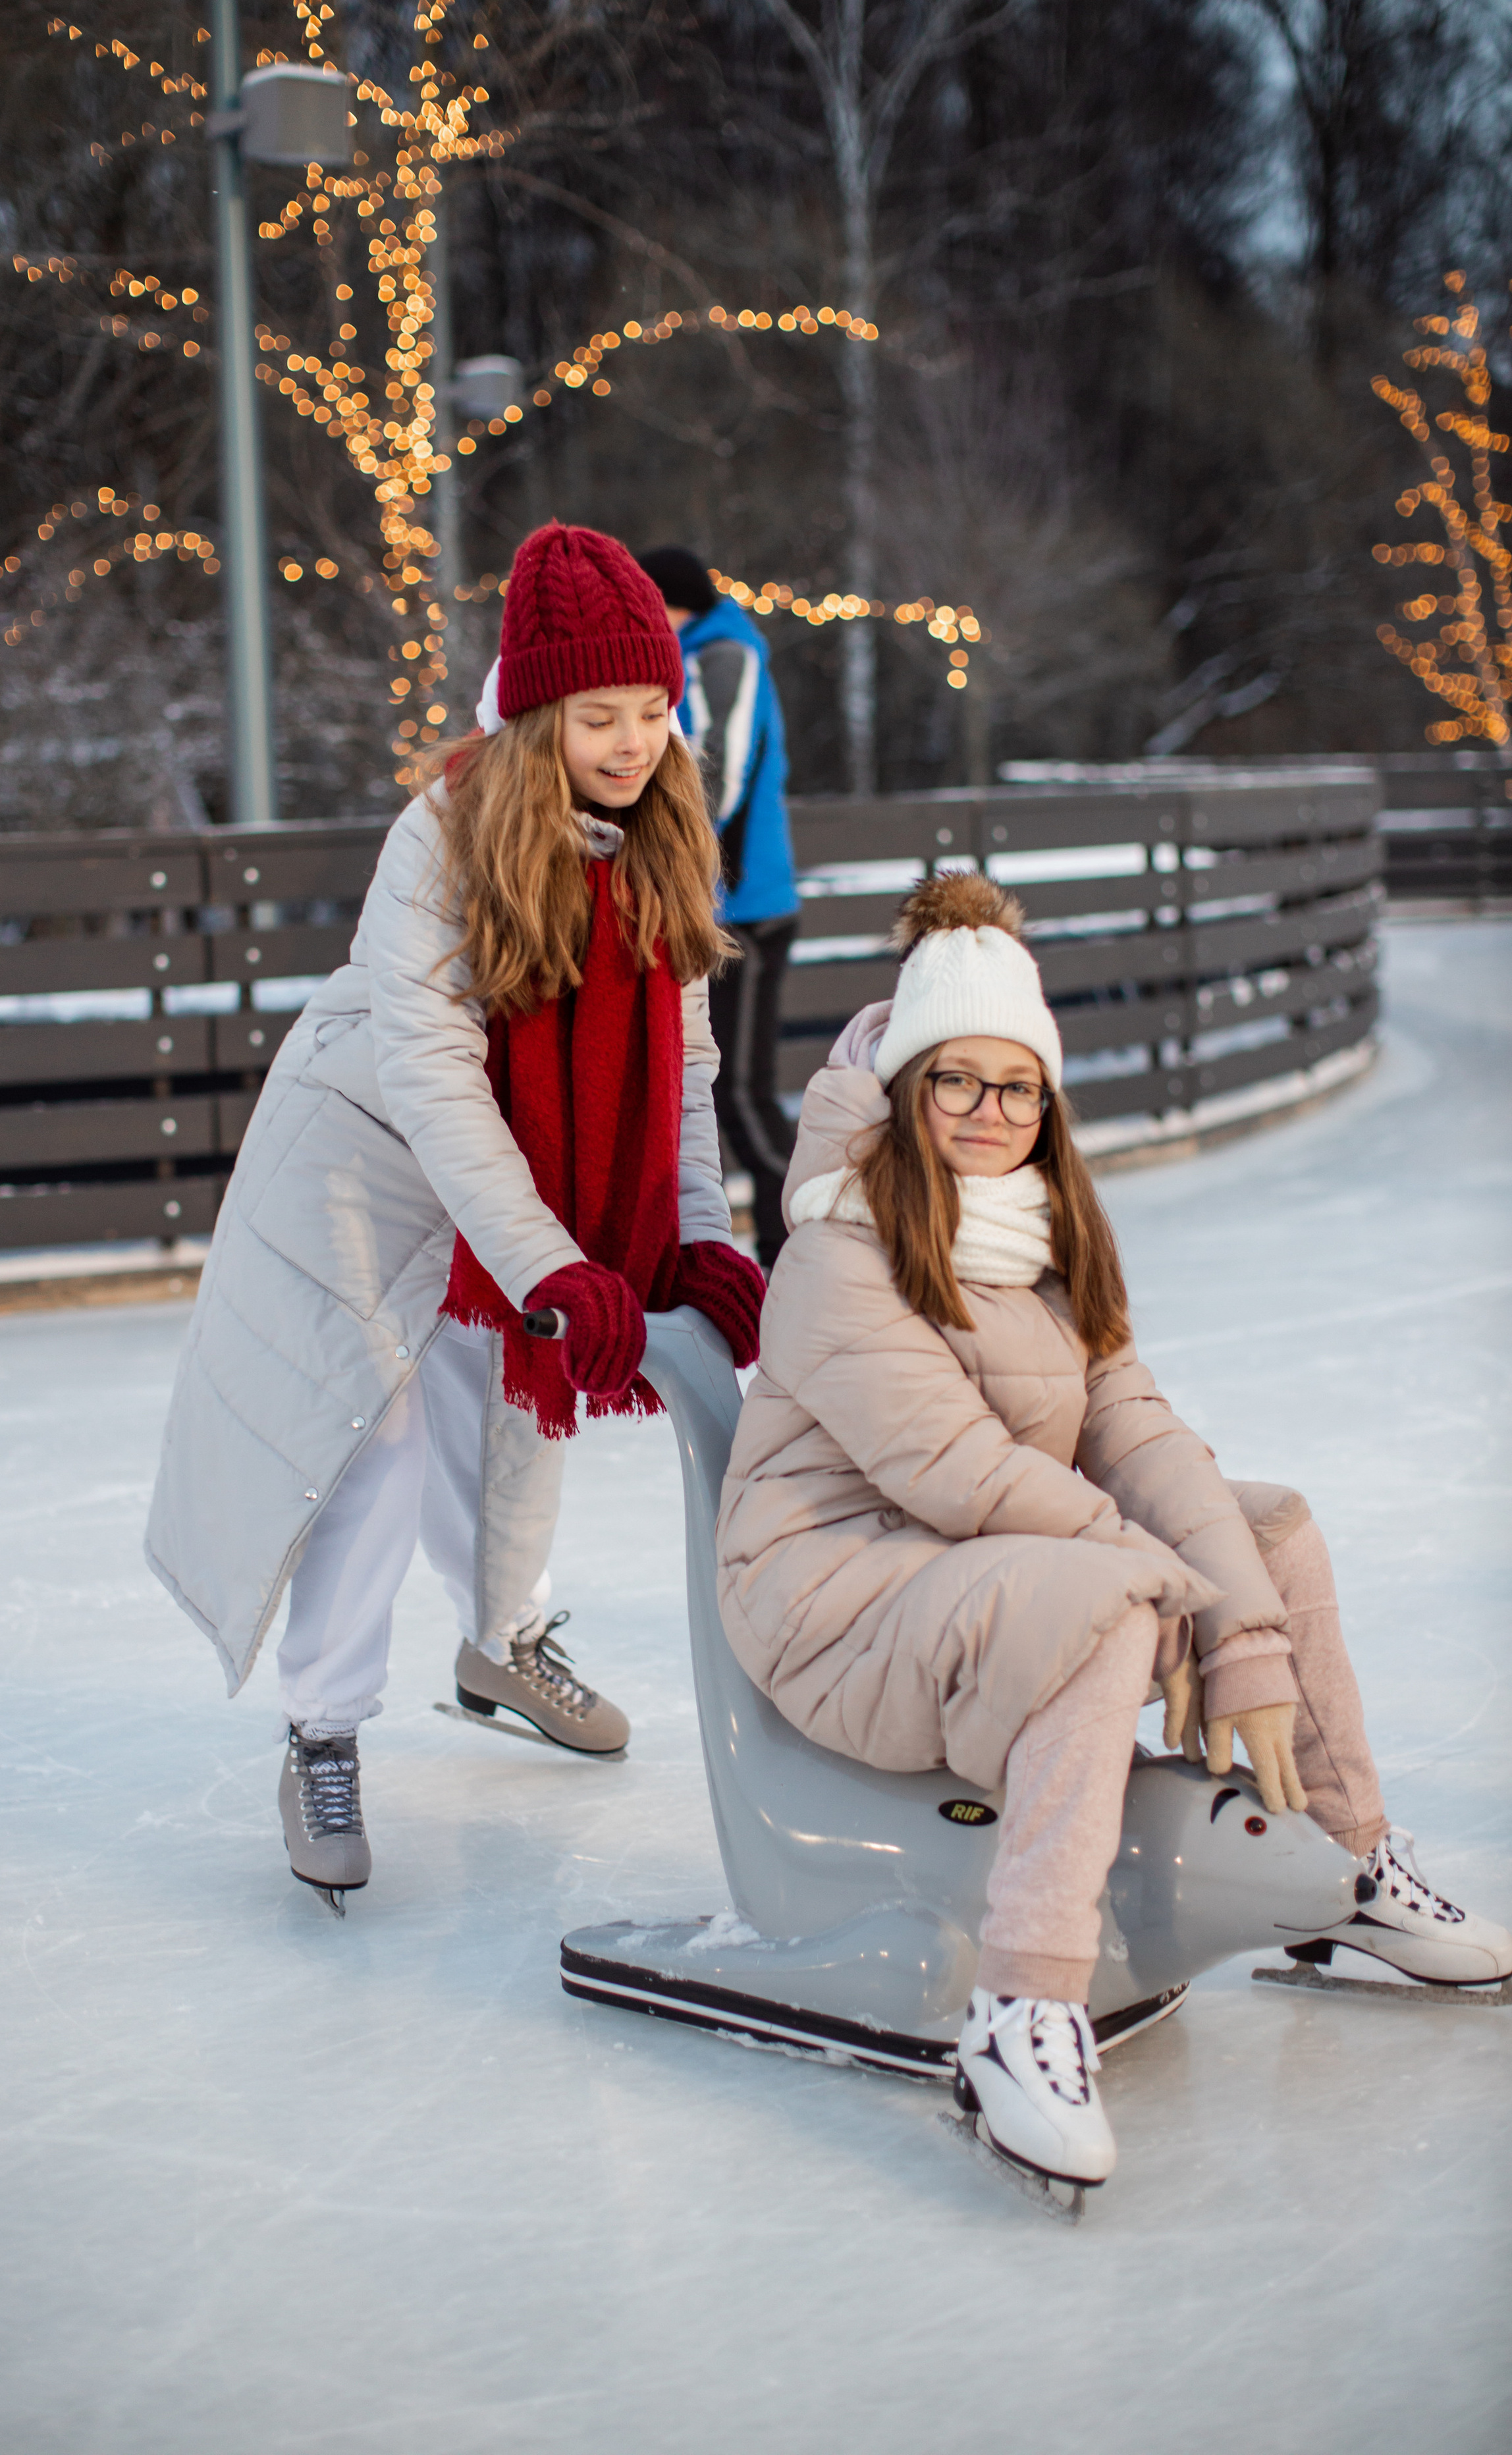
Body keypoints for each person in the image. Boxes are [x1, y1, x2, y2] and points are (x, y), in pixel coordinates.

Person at [715, 869, 1511, 2192]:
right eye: (953, 1081)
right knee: (1107, 1598)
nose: (986, 1112)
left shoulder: (1042, 1238)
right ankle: (1023, 2007)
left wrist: (1238, 1613)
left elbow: (1136, 1435)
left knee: (1270, 1533)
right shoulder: (835, 1248)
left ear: (1046, 1100)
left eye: (1015, 1085)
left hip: (980, 1567)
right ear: (907, 1088)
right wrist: (1173, 1594)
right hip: (833, 1590)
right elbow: (960, 1472)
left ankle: (1344, 1862)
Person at [146, 523, 767, 1908]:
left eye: (655, 710)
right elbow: (435, 1083)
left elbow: (684, 1071)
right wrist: (555, 1258)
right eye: (599, 715)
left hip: (514, 1173)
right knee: (373, 1433)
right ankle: (324, 1726)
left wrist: (699, 1236)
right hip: (363, 1159)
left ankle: (500, 1643)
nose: (631, 741)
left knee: (520, 1399)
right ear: (535, 710)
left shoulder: (664, 833)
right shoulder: (440, 836)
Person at [636, 546, 799, 1270]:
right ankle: (784, 1244)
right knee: (712, 1089)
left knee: (737, 1093)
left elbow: (716, 783)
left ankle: (800, 1244)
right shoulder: (699, 653)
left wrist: (672, 860)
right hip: (718, 905)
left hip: (745, 908)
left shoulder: (724, 653)